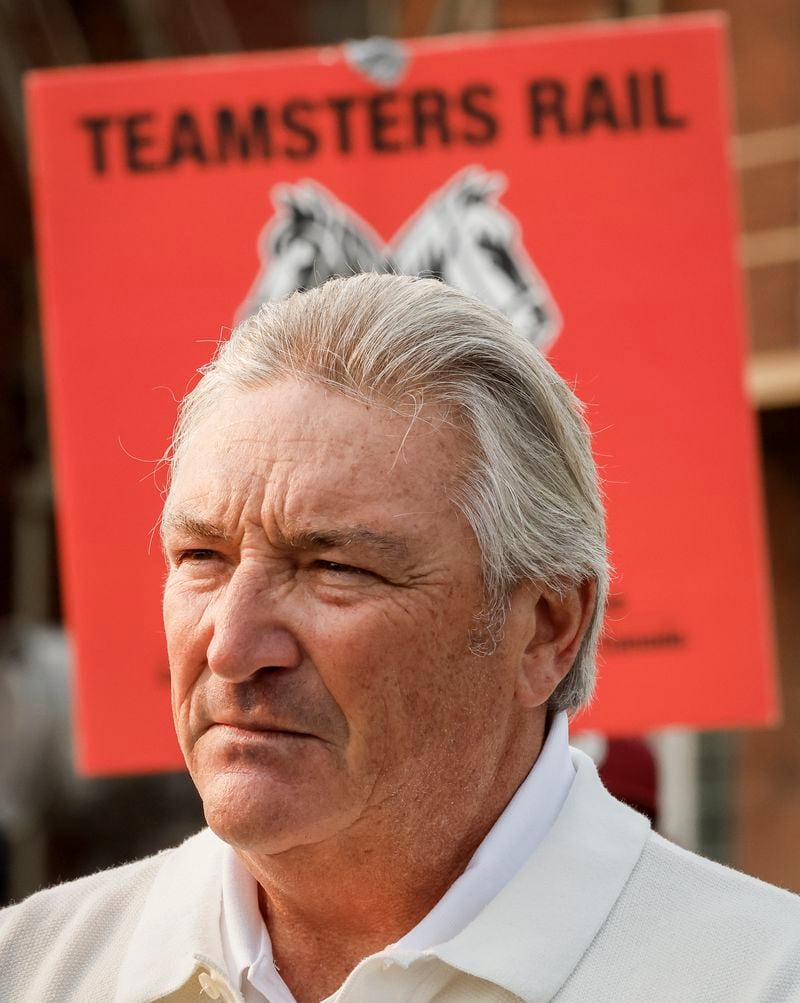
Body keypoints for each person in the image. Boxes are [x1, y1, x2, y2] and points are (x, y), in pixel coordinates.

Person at [1, 273, 798, 1002]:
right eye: (201, 557)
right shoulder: (32, 969)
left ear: (547, 630)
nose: (231, 646)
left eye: (334, 566)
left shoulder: (759, 977)